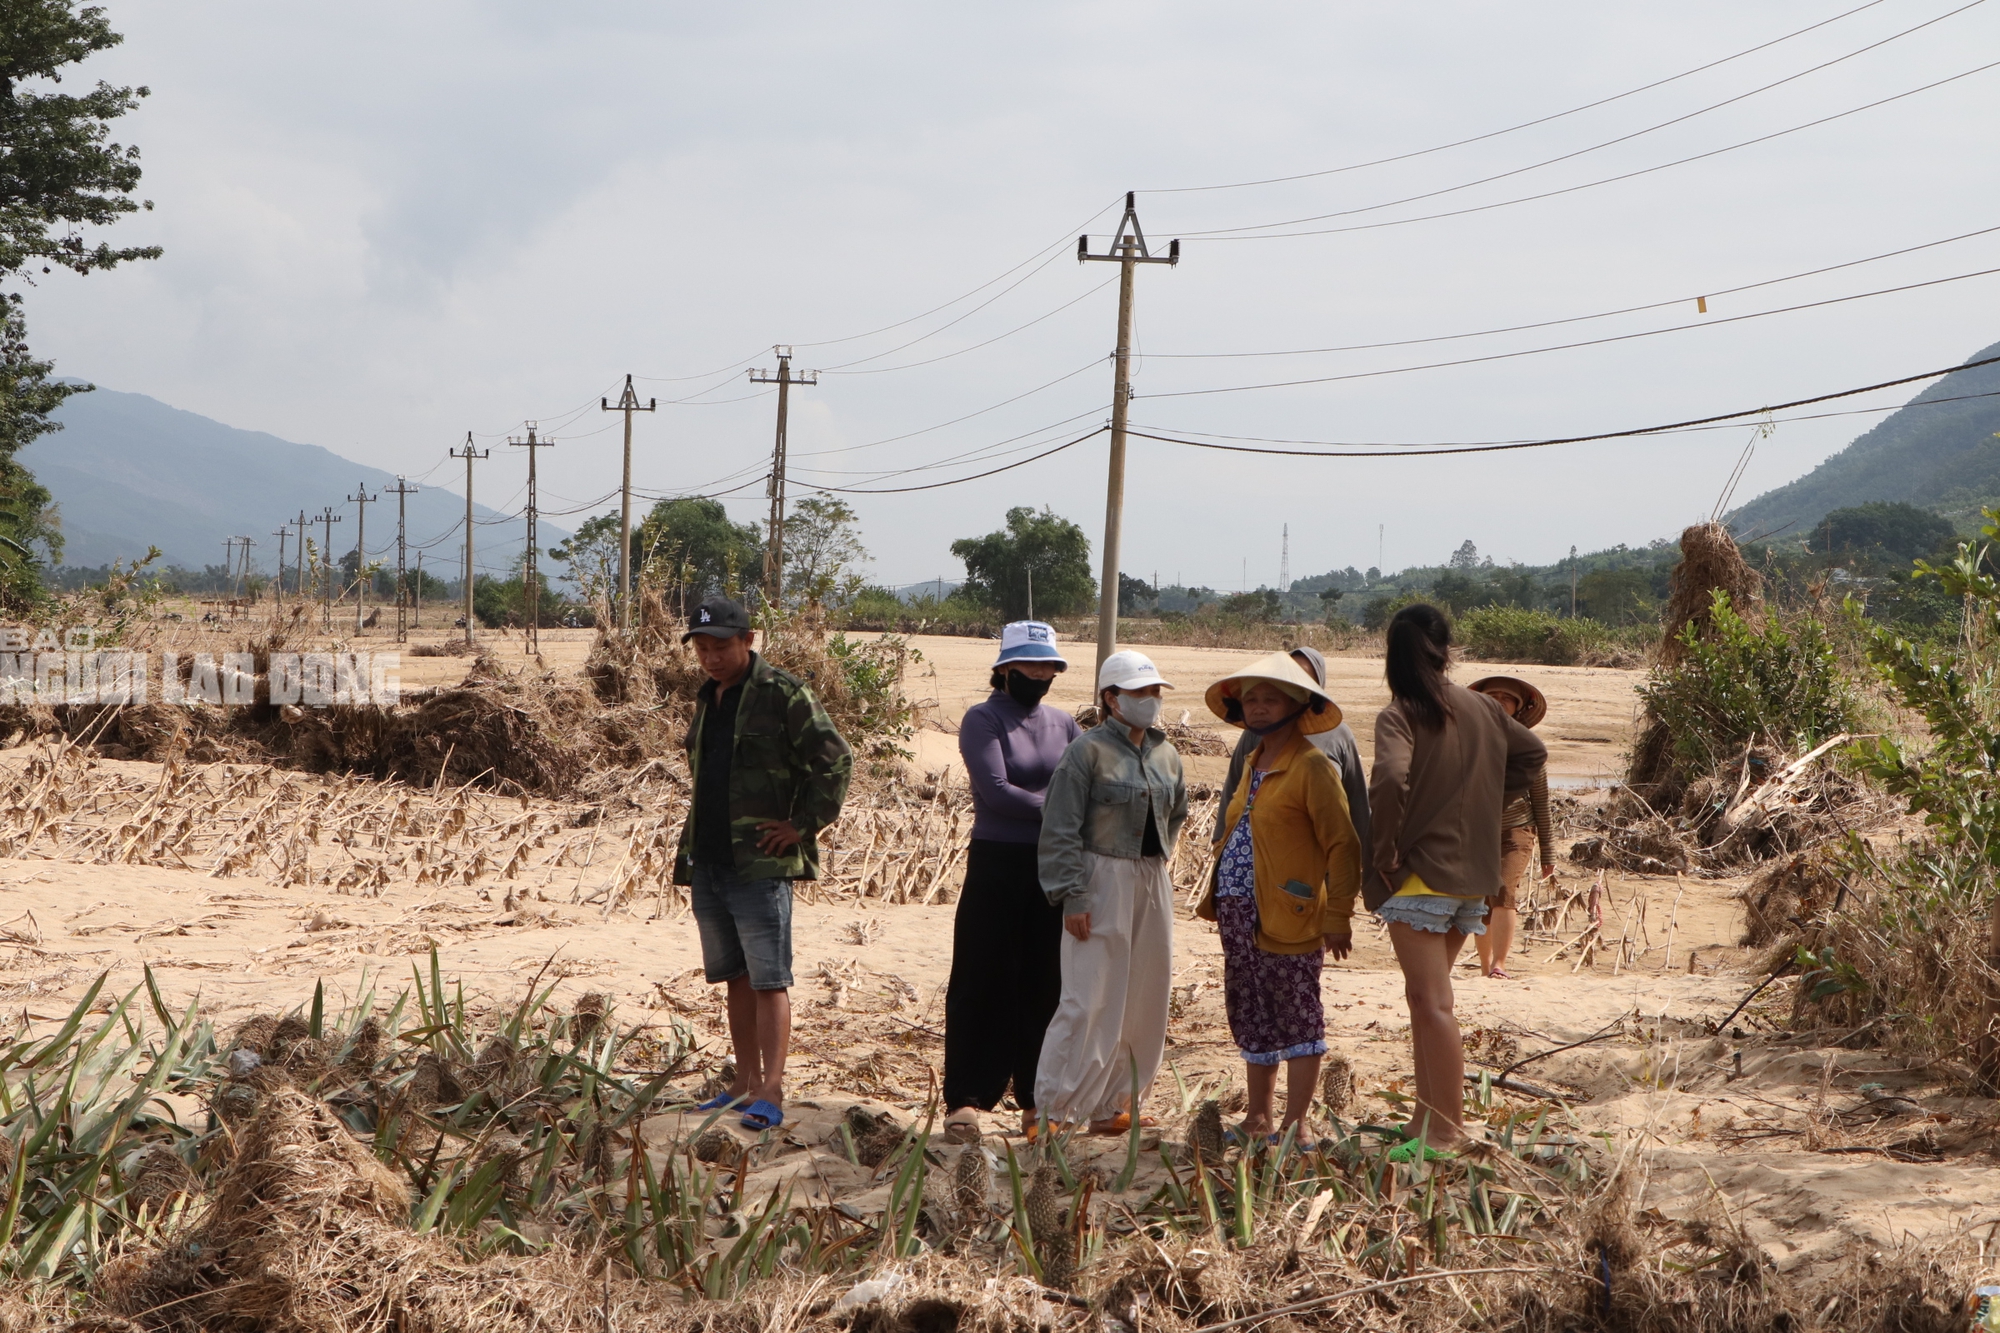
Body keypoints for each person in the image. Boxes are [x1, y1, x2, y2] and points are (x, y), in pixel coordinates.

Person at [1367, 606, 1546, 1161]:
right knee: (1428, 997)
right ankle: (1426, 1118)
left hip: (1423, 871)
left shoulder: (1401, 713)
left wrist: (1383, 847)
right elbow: (1534, 754)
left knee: (1431, 1000)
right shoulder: (1484, 709)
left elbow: (1392, 778)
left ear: (1393, 657)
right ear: (1448, 651)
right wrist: (1488, 786)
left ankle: (1445, 1131)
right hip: (1473, 874)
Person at [672, 596, 853, 1133]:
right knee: (735, 978)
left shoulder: (783, 694)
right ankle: (743, 1083)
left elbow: (835, 760)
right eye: (702, 648)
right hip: (708, 859)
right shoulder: (708, 698)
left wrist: (802, 824)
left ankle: (771, 1090)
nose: (711, 657)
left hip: (761, 863)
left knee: (770, 978)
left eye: (721, 646)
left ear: (748, 641)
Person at [1198, 652, 1362, 1142]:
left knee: (1296, 1011)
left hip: (1289, 911)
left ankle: (1296, 1123)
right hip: (1238, 908)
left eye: (1271, 699)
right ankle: (1257, 1119)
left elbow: (1343, 843)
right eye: (1251, 699)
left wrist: (1338, 915)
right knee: (1250, 1009)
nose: (1260, 707)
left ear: (1297, 705)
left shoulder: (1312, 766)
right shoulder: (1254, 760)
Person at [1036, 648, 1187, 1135]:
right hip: (1100, 876)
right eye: (1139, 692)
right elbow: (1060, 829)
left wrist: (1159, 857)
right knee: (1089, 994)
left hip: (1150, 876)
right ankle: (1055, 1109)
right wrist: (1073, 895)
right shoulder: (1086, 751)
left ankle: (1114, 1104)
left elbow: (1177, 812)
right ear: (1111, 698)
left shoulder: (1166, 753)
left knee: (1146, 993)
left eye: (1154, 692)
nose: (1150, 700)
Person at [943, 621, 1081, 1143]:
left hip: (1051, 865)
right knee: (982, 975)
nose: (1039, 674)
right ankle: (966, 1099)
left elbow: (1084, 779)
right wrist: (1064, 811)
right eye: (1028, 665)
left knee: (1046, 980)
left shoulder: (1064, 724)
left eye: (1047, 665)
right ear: (1004, 669)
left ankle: (1036, 1099)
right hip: (997, 861)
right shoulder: (982, 719)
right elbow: (997, 791)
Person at [1217, 646, 1371, 875]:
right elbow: (1234, 787)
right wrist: (1219, 843)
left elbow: (1357, 801)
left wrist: (1365, 863)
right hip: (1255, 866)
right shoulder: (1256, 733)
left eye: (1305, 679)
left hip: (1317, 870)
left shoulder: (1339, 736)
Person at [1468, 676, 1558, 980]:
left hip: (1517, 830)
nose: (1498, 701)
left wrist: (1549, 851)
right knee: (1482, 899)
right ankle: (1484, 965)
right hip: (1477, 833)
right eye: (1492, 695)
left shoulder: (1528, 748)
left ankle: (1500, 964)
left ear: (1518, 708)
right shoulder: (1467, 743)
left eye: (1507, 698)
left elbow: (1542, 803)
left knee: (1504, 891)